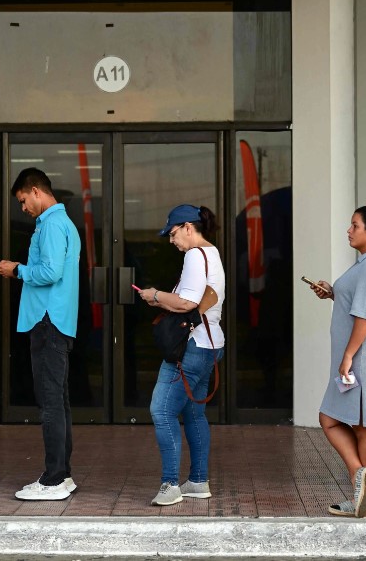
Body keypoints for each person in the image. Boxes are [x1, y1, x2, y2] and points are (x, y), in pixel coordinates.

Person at [310, 205, 366, 518]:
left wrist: (348, 355)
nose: (348, 231)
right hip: (364, 354)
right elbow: (359, 304)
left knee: (365, 428)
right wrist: (334, 293)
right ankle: (362, 480)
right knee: (333, 419)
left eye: (354, 226)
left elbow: (365, 317)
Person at [0, 167, 81, 501]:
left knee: (50, 403)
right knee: (58, 401)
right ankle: (63, 475)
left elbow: (50, 272)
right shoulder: (60, 224)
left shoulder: (53, 224)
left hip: (48, 320)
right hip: (55, 319)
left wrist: (16, 269)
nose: (23, 208)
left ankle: (53, 478)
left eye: (22, 201)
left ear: (35, 191)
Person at [137, 204, 225, 506]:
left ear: (189, 227)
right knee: (193, 413)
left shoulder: (194, 255)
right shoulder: (211, 254)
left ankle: (170, 484)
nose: (172, 240)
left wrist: (155, 295)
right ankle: (198, 481)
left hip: (192, 347)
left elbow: (187, 302)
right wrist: (163, 300)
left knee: (161, 410)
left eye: (173, 234)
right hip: (210, 345)